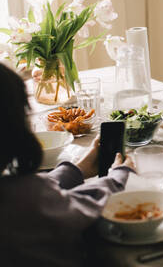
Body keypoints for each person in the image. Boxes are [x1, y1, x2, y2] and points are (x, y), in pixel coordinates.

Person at [0, 64, 135, 266]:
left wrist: (75, 170)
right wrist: (117, 177)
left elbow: (42, 194)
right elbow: (82, 209)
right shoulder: (22, 201)